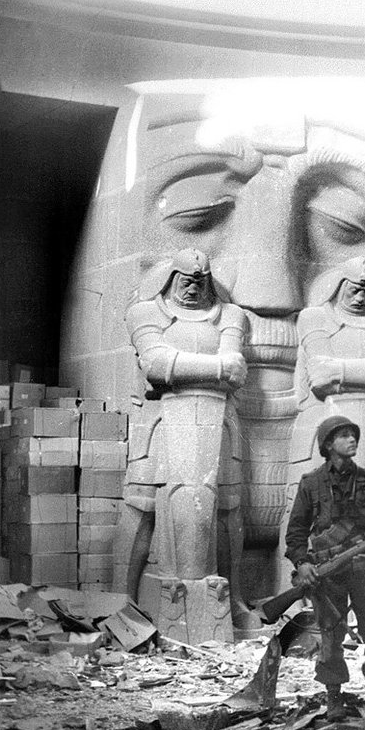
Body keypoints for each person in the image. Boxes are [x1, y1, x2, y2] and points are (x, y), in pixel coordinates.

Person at [114, 249, 249, 605]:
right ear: (170, 278)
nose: (192, 288)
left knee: (227, 507)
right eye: (185, 280)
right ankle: (121, 599)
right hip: (159, 423)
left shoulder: (231, 315)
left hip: (218, 424)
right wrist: (218, 369)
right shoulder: (145, 312)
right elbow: (155, 364)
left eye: (200, 281)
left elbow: (237, 369)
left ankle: (231, 600)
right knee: (141, 504)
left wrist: (182, 371)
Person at [288, 257, 365, 623]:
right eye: (352, 288)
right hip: (322, 424)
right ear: (337, 286)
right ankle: (302, 593)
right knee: (314, 510)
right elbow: (318, 377)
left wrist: (341, 369)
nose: (360, 295)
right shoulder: (314, 317)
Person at [285, 415, 365, 720]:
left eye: (353, 434)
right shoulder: (311, 484)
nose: (352, 439)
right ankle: (334, 696)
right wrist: (303, 563)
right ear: (328, 445)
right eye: (344, 435)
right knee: (331, 636)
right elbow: (295, 533)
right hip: (327, 575)